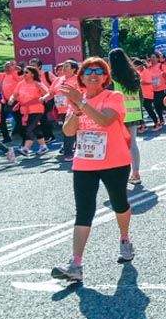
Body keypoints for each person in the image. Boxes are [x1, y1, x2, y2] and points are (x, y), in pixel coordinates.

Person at [51, 57, 135, 283]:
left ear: (106, 77)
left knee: (119, 203)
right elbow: (68, 132)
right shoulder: (77, 99)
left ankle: (125, 238)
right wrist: (77, 110)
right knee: (83, 211)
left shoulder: (113, 97)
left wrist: (82, 103)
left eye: (99, 71)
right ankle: (76, 264)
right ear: (81, 78)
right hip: (84, 163)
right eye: (88, 72)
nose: (93, 75)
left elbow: (105, 120)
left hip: (114, 162)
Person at [108, 49, 144, 185]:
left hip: (118, 114)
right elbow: (141, 96)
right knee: (133, 144)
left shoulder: (112, 76)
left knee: (116, 145)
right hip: (134, 113)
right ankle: (136, 173)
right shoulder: (134, 74)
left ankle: (120, 174)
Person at [9, 65, 49, 156]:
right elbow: (14, 94)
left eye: (26, 72)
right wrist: (11, 99)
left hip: (37, 109)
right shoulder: (20, 84)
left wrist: (42, 95)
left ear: (32, 74)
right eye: (24, 72)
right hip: (25, 110)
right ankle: (43, 146)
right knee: (35, 128)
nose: (24, 74)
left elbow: (47, 93)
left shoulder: (37, 83)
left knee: (29, 128)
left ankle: (26, 148)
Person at [49, 60, 80, 161]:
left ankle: (71, 152)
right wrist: (44, 98)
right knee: (66, 130)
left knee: (73, 130)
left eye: (67, 66)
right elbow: (51, 92)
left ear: (73, 69)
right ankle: (69, 151)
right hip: (60, 109)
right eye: (64, 66)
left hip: (73, 109)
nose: (64, 68)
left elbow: (81, 93)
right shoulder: (58, 79)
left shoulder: (78, 79)